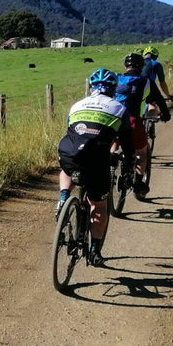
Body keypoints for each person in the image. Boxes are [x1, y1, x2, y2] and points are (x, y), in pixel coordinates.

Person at [56, 69, 132, 267]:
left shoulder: (77, 105)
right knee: (98, 205)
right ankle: (94, 250)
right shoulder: (119, 107)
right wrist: (129, 159)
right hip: (97, 159)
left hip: (68, 153)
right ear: (114, 89)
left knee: (67, 168)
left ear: (91, 88)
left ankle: (64, 196)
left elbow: (72, 129)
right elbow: (126, 138)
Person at [115, 53, 170, 198]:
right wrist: (166, 114)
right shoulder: (145, 81)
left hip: (112, 119)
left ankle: (110, 162)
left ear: (126, 66)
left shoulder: (116, 78)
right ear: (141, 66)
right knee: (142, 152)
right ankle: (139, 183)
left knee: (113, 143)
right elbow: (158, 99)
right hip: (132, 120)